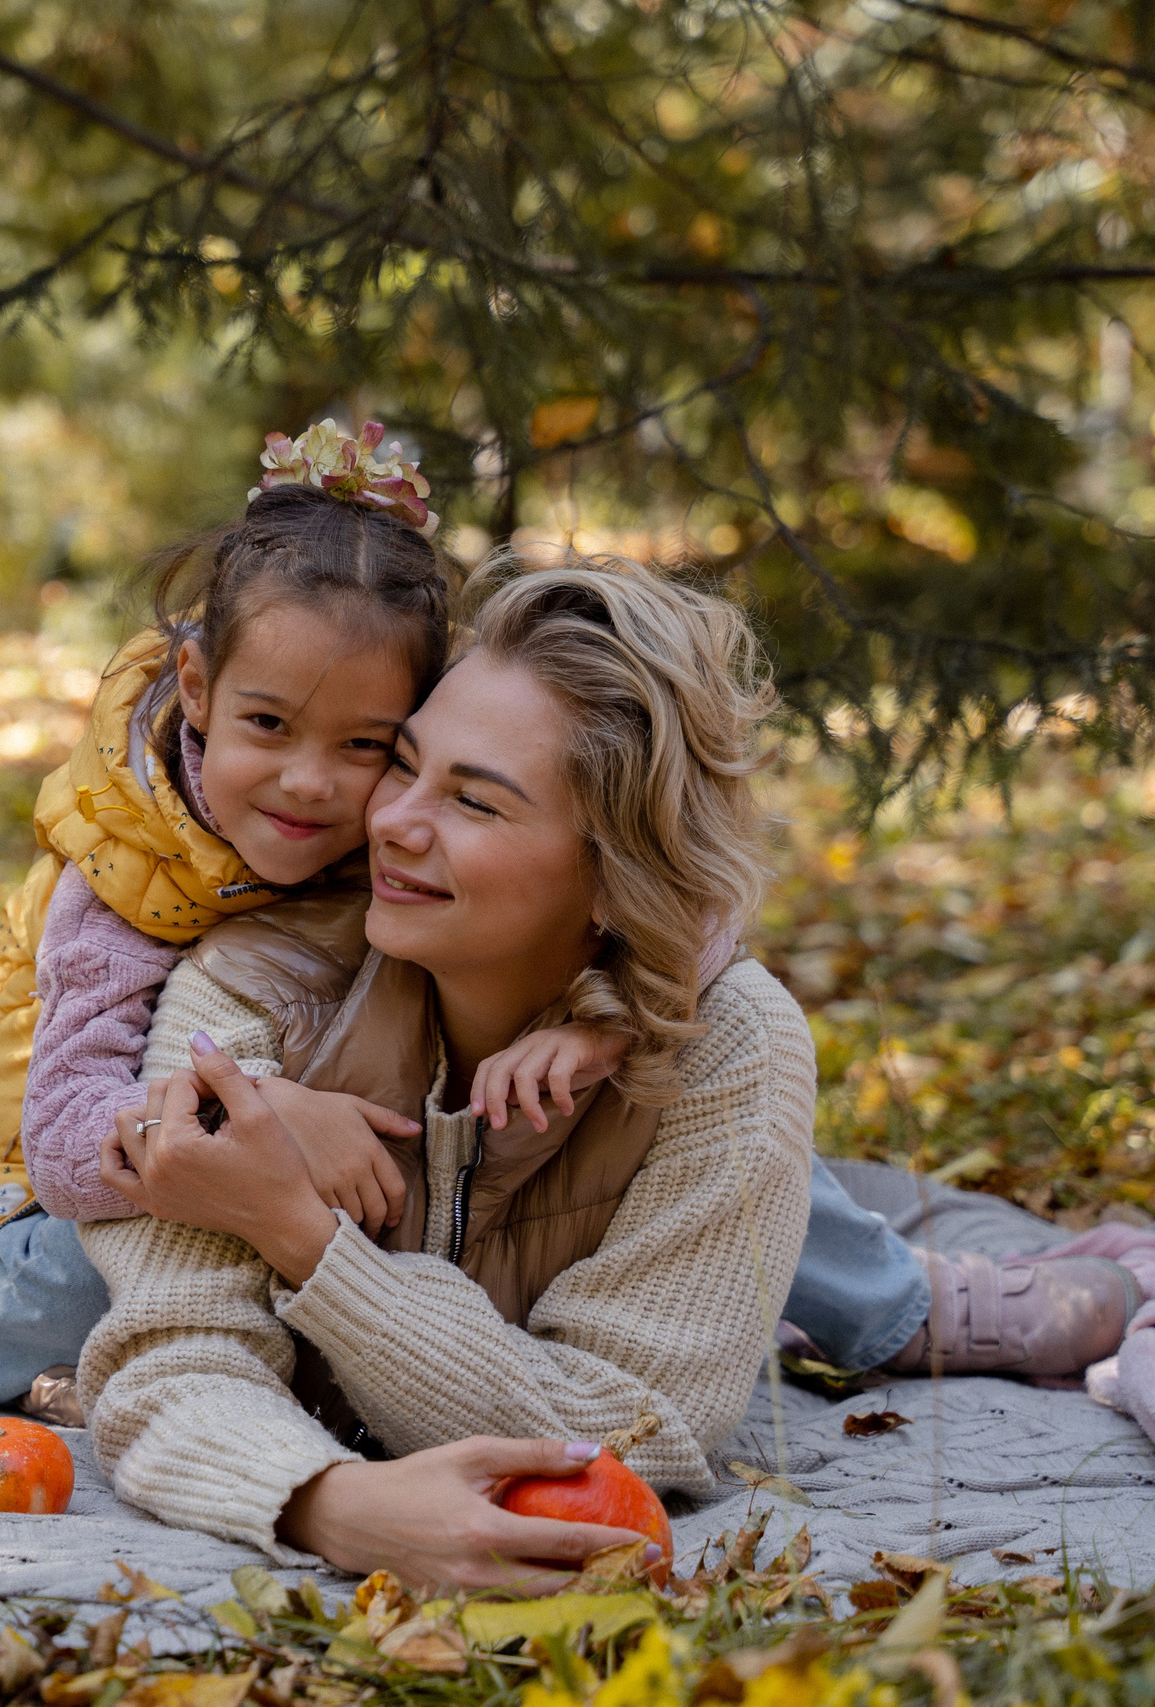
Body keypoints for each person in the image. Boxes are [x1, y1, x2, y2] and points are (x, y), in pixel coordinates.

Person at [0, 422, 625, 1430]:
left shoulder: (395, 811)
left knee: (692, 1116)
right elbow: (63, 1148)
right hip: (43, 1176)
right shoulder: (119, 875)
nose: (310, 783)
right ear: (196, 686)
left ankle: (806, 1312)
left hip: (257, 1146)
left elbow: (678, 918)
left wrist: (600, 1018)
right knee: (96, 1262)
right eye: (267, 725)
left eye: (364, 743)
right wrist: (268, 1120)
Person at [75, 560, 819, 1581]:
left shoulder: (729, 1046)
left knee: (846, 1268)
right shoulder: (249, 994)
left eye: (473, 802)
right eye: (404, 763)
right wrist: (328, 1504)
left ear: (612, 874)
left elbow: (640, 1425)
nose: (389, 822)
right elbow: (170, 1356)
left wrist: (299, 1233)